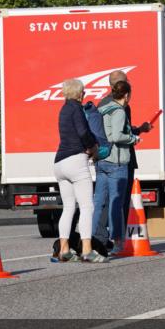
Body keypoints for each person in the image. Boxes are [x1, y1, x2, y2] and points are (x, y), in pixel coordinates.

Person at [53, 78, 107, 263]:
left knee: (68, 207)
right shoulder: (76, 108)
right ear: (77, 93)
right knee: (86, 206)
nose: (84, 94)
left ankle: (64, 250)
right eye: (82, 92)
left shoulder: (63, 109)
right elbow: (83, 132)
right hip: (76, 161)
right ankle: (87, 250)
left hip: (59, 163)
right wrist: (94, 147)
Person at [97, 70, 153, 245]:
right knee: (118, 200)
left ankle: (99, 236)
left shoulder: (102, 104)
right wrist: (135, 136)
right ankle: (116, 240)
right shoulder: (121, 106)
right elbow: (119, 134)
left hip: (103, 157)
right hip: (120, 158)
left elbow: (111, 130)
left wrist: (138, 128)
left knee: (102, 200)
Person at [92, 80, 139, 255]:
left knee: (98, 203)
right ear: (126, 95)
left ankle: (92, 241)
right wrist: (134, 139)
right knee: (116, 203)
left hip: (101, 160)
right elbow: (116, 136)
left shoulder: (104, 108)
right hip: (116, 162)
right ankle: (118, 242)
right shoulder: (119, 111)